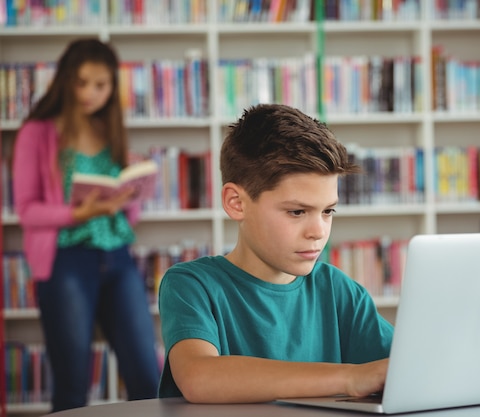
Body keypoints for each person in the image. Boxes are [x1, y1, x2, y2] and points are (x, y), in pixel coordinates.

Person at [158, 103, 394, 403]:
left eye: (328, 211)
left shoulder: (339, 292)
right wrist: (351, 377)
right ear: (236, 203)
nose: (318, 231)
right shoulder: (191, 285)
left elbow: (409, 367)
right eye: (297, 211)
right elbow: (199, 377)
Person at [12, 38, 160, 412]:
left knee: (147, 375)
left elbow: (129, 216)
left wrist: (130, 196)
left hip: (118, 257)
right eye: (81, 82)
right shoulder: (38, 133)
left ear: (113, 87)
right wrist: (78, 214)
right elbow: (27, 210)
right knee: (73, 385)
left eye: (100, 84)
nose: (90, 93)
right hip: (66, 260)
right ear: (65, 81)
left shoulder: (110, 132)